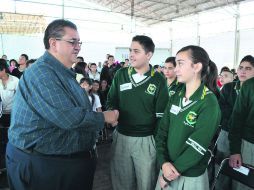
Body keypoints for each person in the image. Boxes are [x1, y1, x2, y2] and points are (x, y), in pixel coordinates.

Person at [6, 19, 118, 190]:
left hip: (62, 165)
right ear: (53, 43)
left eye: (79, 42)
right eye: (72, 41)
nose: (78, 46)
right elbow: (67, 117)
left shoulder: (63, 73)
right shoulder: (42, 73)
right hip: (44, 167)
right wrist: (105, 116)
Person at [107, 35, 169, 190]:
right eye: (130, 50)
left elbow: (161, 118)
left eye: (136, 51)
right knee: (121, 182)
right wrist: (113, 113)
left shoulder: (159, 80)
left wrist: (155, 142)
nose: (131, 55)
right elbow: (111, 100)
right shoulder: (121, 74)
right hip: (121, 136)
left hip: (146, 140)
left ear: (148, 55)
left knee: (146, 183)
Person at [155, 45, 221, 190]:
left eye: (180, 63)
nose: (175, 69)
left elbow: (197, 146)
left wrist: (170, 173)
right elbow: (162, 131)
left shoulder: (209, 102)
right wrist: (164, 162)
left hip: (190, 177)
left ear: (196, 67)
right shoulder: (177, 95)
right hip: (166, 169)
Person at [216, 55, 254, 189]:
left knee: (242, 174)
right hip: (227, 132)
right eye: (241, 68)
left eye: (248, 68)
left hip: (242, 136)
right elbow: (221, 109)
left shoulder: (249, 88)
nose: (243, 71)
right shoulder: (228, 88)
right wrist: (238, 118)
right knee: (223, 170)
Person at [229, 78, 254, 190]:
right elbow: (236, 118)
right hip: (249, 145)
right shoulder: (249, 85)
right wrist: (235, 150)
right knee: (243, 186)